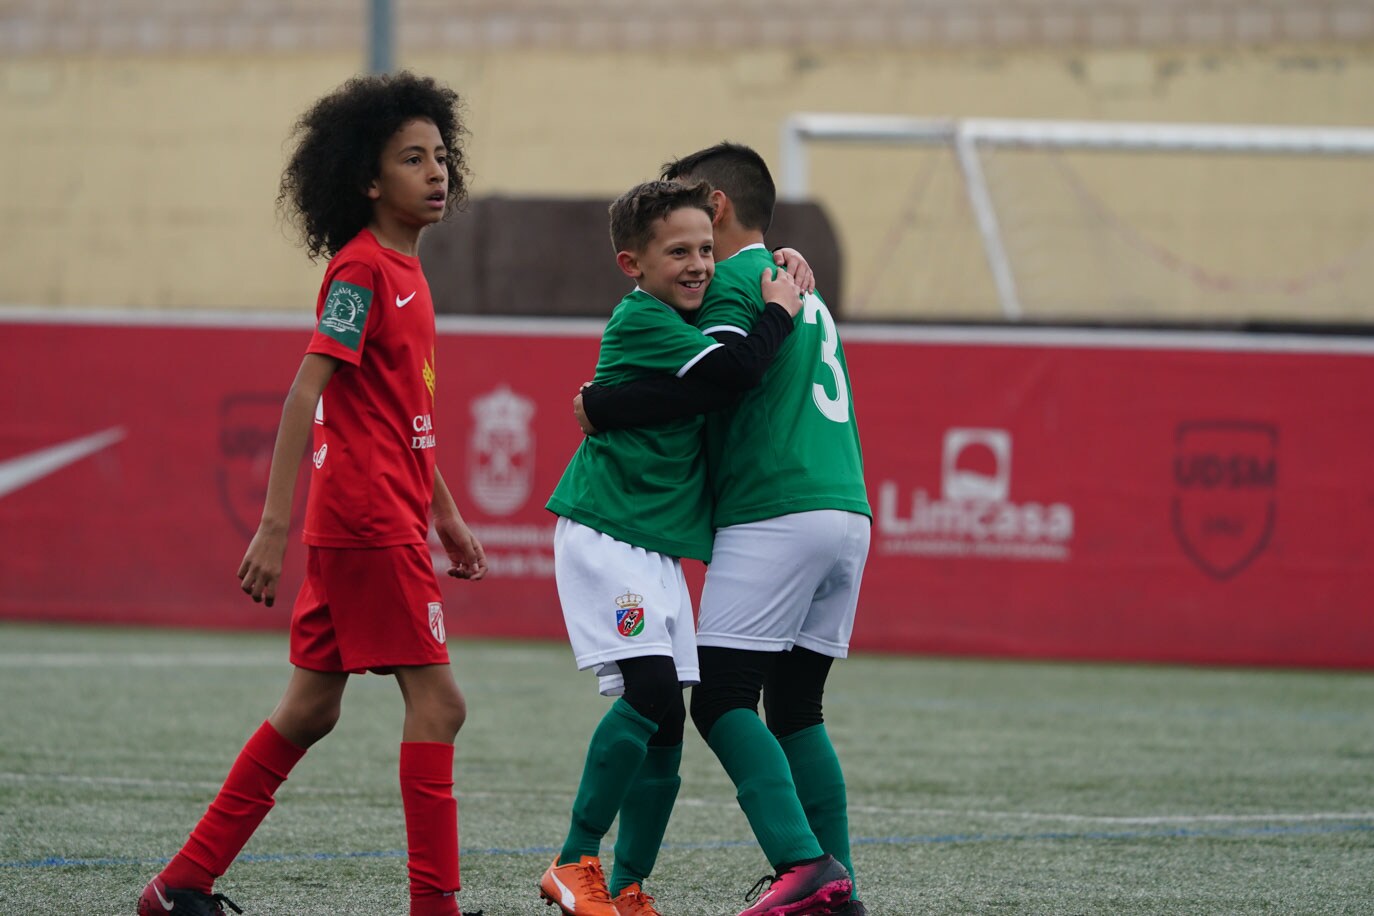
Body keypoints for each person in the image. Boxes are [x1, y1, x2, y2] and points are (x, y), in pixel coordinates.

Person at [137, 72, 488, 916]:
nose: (436, 172)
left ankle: (179, 886)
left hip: (382, 516)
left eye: (441, 156)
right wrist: (270, 526)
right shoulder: (363, 270)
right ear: (368, 181)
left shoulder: (407, 268)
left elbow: (401, 412)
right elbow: (306, 393)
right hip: (366, 520)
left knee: (310, 708)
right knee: (439, 705)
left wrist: (445, 511)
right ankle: (434, 909)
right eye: (413, 159)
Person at [578, 141, 871, 916]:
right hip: (847, 508)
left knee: (717, 699)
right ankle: (838, 889)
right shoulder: (794, 283)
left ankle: (803, 865)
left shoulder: (737, 279)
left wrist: (600, 404)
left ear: (712, 203)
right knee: (797, 705)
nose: (688, 255)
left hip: (775, 506)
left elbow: (717, 377)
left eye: (683, 210)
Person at [539, 178, 807, 916]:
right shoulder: (642, 319)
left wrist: (777, 259)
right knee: (652, 693)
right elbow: (731, 375)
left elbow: (687, 395)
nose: (698, 265)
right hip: (605, 533)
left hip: (656, 549)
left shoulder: (680, 317)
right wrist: (778, 308)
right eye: (678, 251)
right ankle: (573, 860)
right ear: (633, 264)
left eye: (707, 250)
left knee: (665, 727)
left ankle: (626, 888)